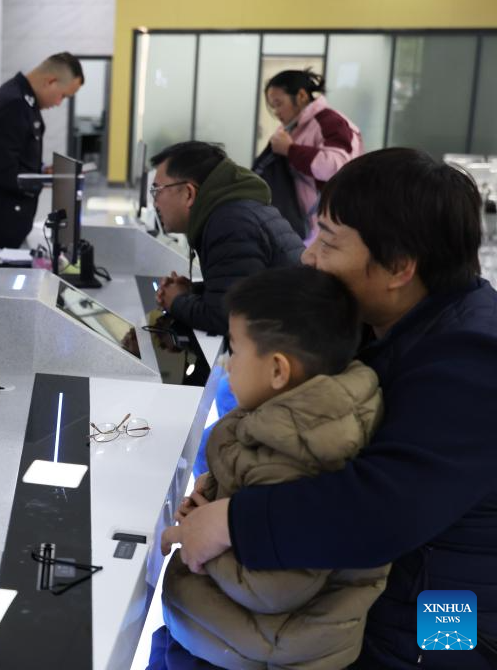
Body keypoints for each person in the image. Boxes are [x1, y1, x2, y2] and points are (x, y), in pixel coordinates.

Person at [161, 148, 497, 668]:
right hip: (362, 593)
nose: (308, 256)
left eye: (329, 241)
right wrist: (222, 490)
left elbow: (384, 508)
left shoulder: (471, 360)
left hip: (443, 627)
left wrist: (233, 522)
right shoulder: (388, 324)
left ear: (399, 267)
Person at [153, 266, 388, 669]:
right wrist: (212, 501)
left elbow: (273, 588)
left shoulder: (301, 451)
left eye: (235, 350)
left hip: (251, 651)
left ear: (278, 370)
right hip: (232, 635)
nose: (227, 365)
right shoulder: (298, 417)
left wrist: (197, 536)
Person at [151, 141, 304, 335]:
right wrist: (194, 292)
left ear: (189, 193)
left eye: (157, 191)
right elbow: (244, 287)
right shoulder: (231, 212)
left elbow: (227, 318)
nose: (154, 203)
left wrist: (176, 301)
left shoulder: (229, 224)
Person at [0, 52, 84, 249]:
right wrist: (45, 180)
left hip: (7, 225)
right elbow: (5, 172)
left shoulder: (23, 101)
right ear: (51, 81)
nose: (59, 103)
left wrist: (42, 171)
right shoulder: (14, 104)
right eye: (63, 96)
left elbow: (16, 158)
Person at [264, 69, 363, 241]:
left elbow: (338, 167)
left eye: (279, 104)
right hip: (304, 224)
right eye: (273, 107)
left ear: (301, 96)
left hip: (332, 225)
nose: (277, 112)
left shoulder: (330, 122)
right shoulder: (292, 126)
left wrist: (290, 150)